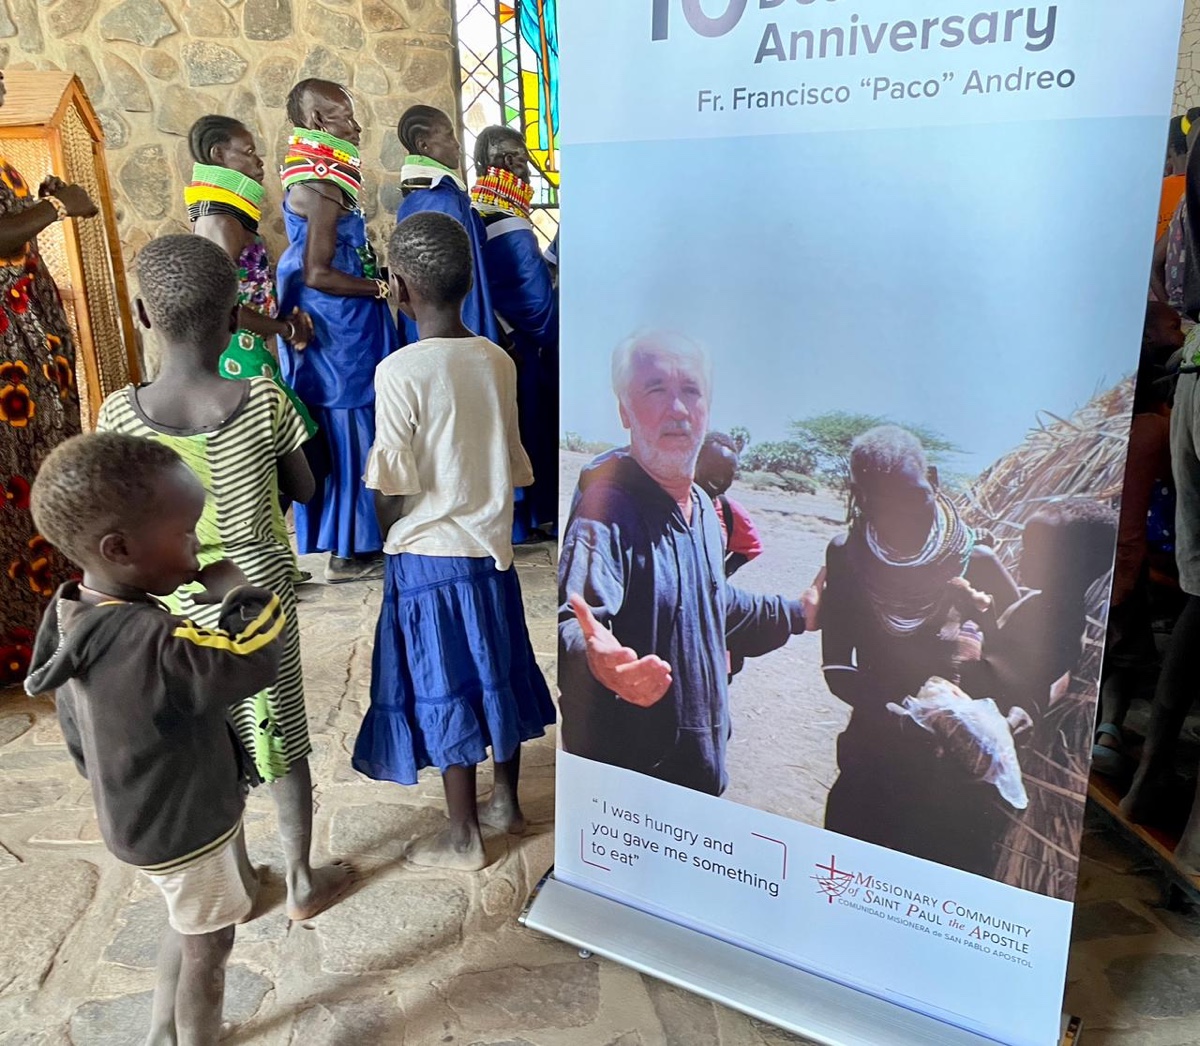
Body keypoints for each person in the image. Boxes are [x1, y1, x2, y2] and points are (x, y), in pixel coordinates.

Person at [96, 235, 353, 923]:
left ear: (144, 316)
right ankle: (300, 881)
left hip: (170, 603)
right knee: (279, 731)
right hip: (255, 595)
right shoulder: (263, 397)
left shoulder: (118, 416)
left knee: (210, 737)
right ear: (237, 318)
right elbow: (305, 487)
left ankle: (237, 881)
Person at [25, 431, 287, 1045]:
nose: (197, 544)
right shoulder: (155, 641)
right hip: (183, 827)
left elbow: (78, 733)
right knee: (210, 945)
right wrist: (237, 592)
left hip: (138, 815)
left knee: (187, 923)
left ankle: (163, 1034)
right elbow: (252, 658)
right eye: (186, 532)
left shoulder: (73, 616)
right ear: (119, 549)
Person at [352, 212, 555, 871]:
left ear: (398, 287)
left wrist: (387, 529)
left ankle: (464, 835)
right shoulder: (496, 359)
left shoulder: (399, 371)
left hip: (427, 558)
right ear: (469, 282)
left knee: (445, 686)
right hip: (490, 552)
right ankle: (507, 806)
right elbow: (510, 459)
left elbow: (392, 480)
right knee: (496, 673)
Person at [558, 331, 813, 796]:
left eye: (691, 390)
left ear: (707, 408)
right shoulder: (607, 510)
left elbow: (713, 603)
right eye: (655, 389)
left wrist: (798, 613)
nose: (677, 408)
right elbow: (576, 621)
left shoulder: (701, 507)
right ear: (625, 410)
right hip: (635, 786)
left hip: (698, 770)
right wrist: (600, 663)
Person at [820, 425, 1021, 876]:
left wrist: (1016, 710)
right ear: (861, 497)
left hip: (958, 770)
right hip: (874, 757)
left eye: (915, 497)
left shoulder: (976, 560)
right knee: (854, 880)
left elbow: (1026, 651)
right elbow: (836, 666)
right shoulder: (848, 556)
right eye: (885, 505)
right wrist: (897, 717)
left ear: (933, 479)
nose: (907, 518)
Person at [277, 79, 399, 583]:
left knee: (352, 424)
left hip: (341, 321)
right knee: (351, 425)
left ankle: (356, 540)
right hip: (340, 328)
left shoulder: (318, 177)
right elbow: (316, 272)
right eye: (344, 115)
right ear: (316, 122)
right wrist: (381, 288)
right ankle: (350, 549)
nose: (356, 125)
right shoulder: (322, 187)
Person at [0, 67, 100, 686]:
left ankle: (44, 627)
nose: (2, 85)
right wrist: (59, 206)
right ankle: (20, 639)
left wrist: (43, 198)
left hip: (27, 346)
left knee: (39, 475)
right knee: (15, 484)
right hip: (6, 361)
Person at [185, 114, 316, 438]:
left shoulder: (225, 217)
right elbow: (219, 306)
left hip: (246, 344)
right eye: (248, 152)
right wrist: (285, 329)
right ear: (218, 155)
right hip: (238, 352)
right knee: (283, 438)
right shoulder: (221, 222)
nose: (259, 162)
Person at [1092, 303, 1182, 776]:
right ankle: (1109, 730)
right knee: (1125, 652)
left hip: (1092, 558)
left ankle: (1098, 729)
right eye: (1174, 326)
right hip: (1126, 562)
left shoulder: (1098, 429)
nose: (1181, 332)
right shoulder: (1153, 428)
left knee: (1104, 647)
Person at [470, 125, 560, 539]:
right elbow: (537, 308)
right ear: (508, 162)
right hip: (524, 347)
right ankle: (537, 516)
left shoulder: (477, 210)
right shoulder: (510, 223)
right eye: (523, 159)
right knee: (532, 428)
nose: (528, 169)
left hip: (493, 336)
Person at [395, 105, 499, 346]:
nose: (457, 144)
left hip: (427, 325)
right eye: (449, 135)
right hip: (452, 324)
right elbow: (447, 280)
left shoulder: (421, 196)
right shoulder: (442, 199)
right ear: (424, 146)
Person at [695, 431, 763, 578]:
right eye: (713, 468)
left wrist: (719, 576)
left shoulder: (729, 511)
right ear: (693, 461)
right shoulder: (661, 500)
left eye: (728, 474)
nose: (719, 479)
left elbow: (751, 547)